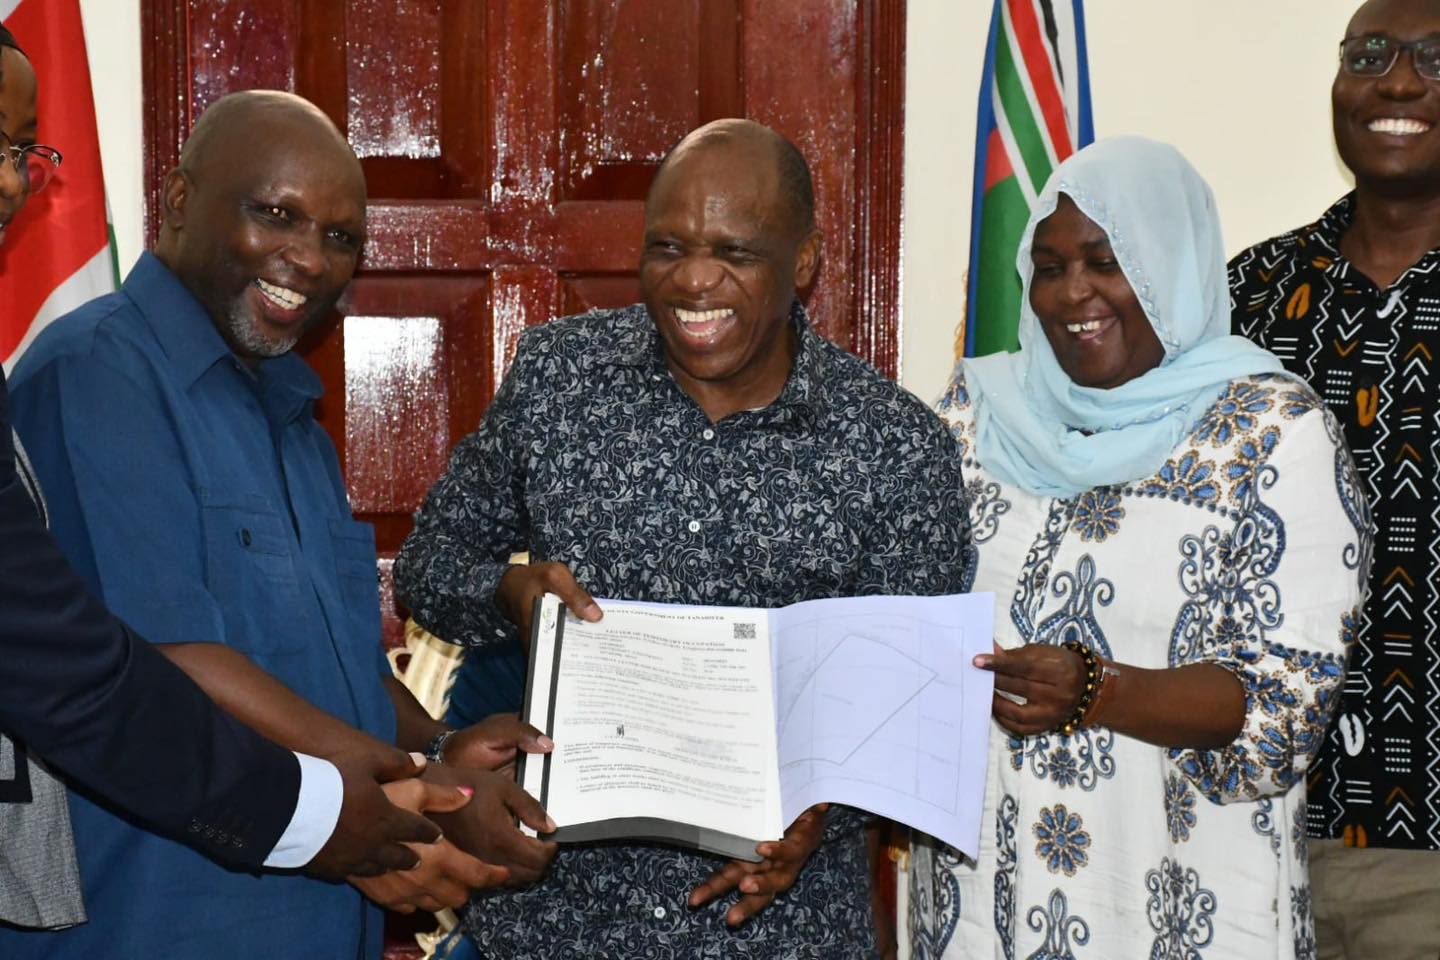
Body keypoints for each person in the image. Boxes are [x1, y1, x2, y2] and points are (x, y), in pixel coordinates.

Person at [393, 118, 975, 958]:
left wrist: (822, 814)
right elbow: (430, 565)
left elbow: (916, 692)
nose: (695, 282)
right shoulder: (560, 378)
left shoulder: (892, 443)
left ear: (804, 261)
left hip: (780, 932)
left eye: (735, 254)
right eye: (668, 247)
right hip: (553, 919)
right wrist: (509, 594)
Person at [0, 89, 556, 959]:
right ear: (179, 201)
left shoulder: (294, 412)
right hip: (161, 915)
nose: (307, 259)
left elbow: (340, 677)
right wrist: (411, 790)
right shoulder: (97, 373)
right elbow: (164, 660)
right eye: (275, 215)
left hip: (320, 912)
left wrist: (442, 747)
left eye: (340, 239)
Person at [908, 138, 1369, 958]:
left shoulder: (1271, 434)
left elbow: (1284, 711)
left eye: (1105, 261)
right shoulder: (972, 417)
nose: (1072, 292)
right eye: (1048, 266)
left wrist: (1099, 690)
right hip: (982, 899)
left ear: (1173, 266)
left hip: (1181, 898)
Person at [1229, 2, 1440, 955]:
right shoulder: (1247, 298)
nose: (1397, 82)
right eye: (1370, 56)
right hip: (1255, 830)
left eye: (1435, 59)